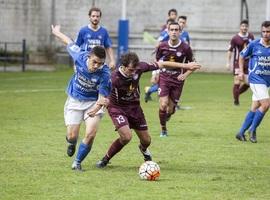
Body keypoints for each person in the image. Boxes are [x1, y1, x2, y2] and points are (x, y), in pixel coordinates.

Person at [95, 52, 200, 168]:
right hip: (117, 108)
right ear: (123, 67)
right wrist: (100, 104)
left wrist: (186, 66)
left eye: (135, 69)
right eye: (130, 70)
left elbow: (162, 63)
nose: (134, 72)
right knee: (126, 137)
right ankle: (105, 159)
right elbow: (103, 93)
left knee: (146, 141)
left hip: (135, 108)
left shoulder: (139, 67)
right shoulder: (114, 78)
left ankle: (143, 149)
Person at [51, 24, 111, 171]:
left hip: (93, 103)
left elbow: (102, 97)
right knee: (72, 136)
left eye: (100, 63)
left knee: (91, 133)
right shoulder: (79, 55)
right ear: (89, 56)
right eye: (94, 62)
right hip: (75, 99)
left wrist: (96, 108)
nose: (97, 66)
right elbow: (69, 42)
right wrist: (57, 32)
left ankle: (77, 163)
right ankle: (71, 143)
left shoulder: (105, 73)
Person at [156, 22, 199, 137]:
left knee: (170, 109)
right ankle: (163, 130)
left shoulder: (185, 47)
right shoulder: (162, 46)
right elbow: (157, 62)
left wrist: (185, 75)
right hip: (164, 77)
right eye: (172, 30)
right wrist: (155, 73)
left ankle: (169, 114)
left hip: (177, 80)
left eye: (176, 30)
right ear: (168, 32)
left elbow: (195, 64)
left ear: (180, 32)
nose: (174, 32)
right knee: (163, 104)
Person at [235, 20, 270, 143]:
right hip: (255, 79)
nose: (266, 34)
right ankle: (252, 130)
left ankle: (240, 132)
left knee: (255, 107)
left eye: (268, 32)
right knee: (266, 104)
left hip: (266, 82)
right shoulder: (254, 44)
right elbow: (242, 55)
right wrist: (240, 71)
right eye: (264, 31)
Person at [226, 19, 254, 106]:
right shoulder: (235, 38)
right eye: (243, 26)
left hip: (249, 63)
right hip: (238, 63)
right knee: (237, 80)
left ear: (248, 27)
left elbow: (253, 49)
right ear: (240, 27)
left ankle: (236, 94)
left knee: (249, 83)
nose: (244, 28)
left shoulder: (251, 36)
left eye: (246, 26)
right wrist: (228, 62)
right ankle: (236, 101)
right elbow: (230, 51)